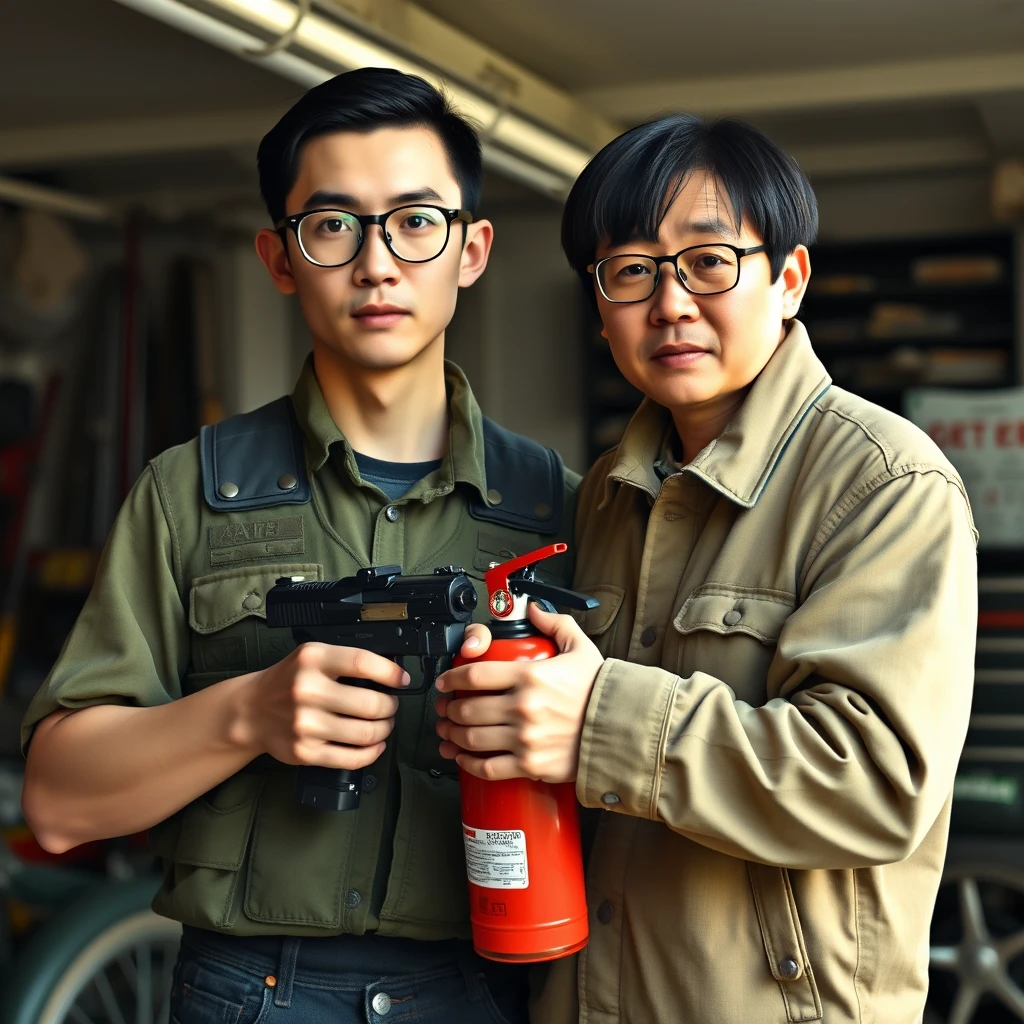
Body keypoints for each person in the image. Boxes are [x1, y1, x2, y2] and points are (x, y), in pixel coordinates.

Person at [20, 67, 577, 1024]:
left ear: (473, 249)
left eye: (415, 221)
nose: (377, 263)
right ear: (280, 259)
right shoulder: (187, 494)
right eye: (332, 225)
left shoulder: (562, 512)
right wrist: (247, 714)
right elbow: (59, 802)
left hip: (490, 985)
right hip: (247, 991)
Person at [436, 113, 978, 1024]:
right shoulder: (607, 490)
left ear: (789, 278)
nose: (671, 302)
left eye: (709, 261)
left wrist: (598, 716)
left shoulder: (886, 483)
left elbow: (876, 782)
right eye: (632, 271)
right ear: (600, 304)